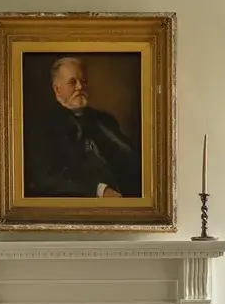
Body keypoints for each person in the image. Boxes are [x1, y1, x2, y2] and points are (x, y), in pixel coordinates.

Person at [23, 56, 142, 198]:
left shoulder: (104, 120)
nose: (80, 87)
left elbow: (130, 158)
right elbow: (46, 178)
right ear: (57, 89)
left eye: (83, 81)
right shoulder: (42, 125)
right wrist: (100, 191)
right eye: (72, 82)